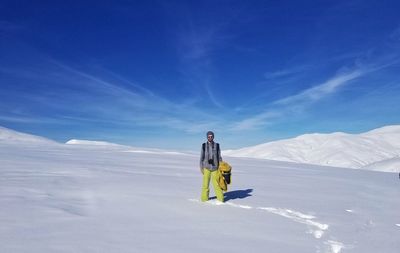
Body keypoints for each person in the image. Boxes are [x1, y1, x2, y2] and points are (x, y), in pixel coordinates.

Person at [199, 131, 224, 202]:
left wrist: (221, 166)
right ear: (207, 137)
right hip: (206, 168)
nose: (210, 137)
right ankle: (204, 200)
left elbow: (219, 157)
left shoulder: (217, 145)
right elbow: (201, 158)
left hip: (215, 168)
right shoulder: (204, 145)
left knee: (217, 185)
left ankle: (221, 200)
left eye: (211, 136)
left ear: (213, 137)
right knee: (205, 185)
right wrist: (201, 168)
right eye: (208, 136)